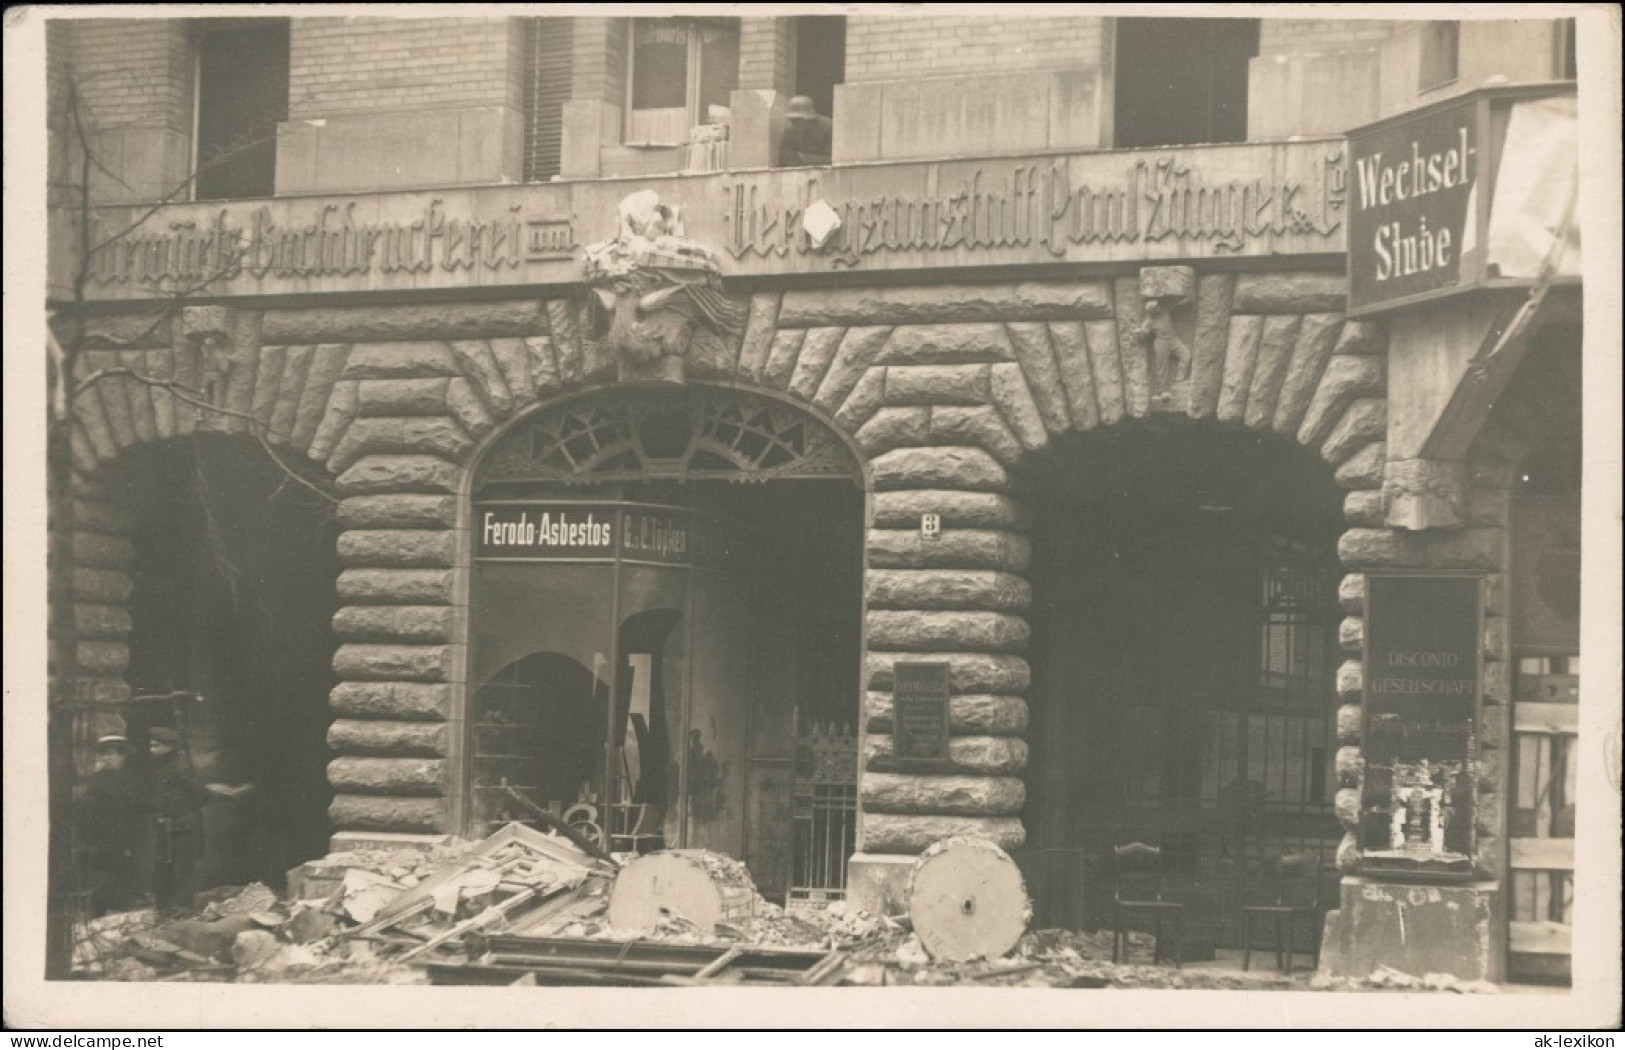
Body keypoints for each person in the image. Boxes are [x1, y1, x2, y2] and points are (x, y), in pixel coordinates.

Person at [143, 726, 251, 911]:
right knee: (165, 870)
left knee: (183, 870)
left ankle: (180, 911)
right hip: (168, 826)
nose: (151, 750)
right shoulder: (162, 767)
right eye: (151, 746)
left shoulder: (180, 766)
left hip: (184, 826)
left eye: (156, 746)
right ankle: (166, 911)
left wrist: (225, 794)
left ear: (169, 747)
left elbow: (199, 795)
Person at [80, 734, 147, 916]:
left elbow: (135, 810)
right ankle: (100, 915)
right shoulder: (97, 781)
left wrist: (130, 840)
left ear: (122, 756)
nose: (106, 758)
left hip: (124, 838)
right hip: (102, 838)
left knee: (122, 878)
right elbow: (89, 812)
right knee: (102, 880)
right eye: (104, 754)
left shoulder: (130, 780)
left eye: (111, 754)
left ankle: (117, 915)